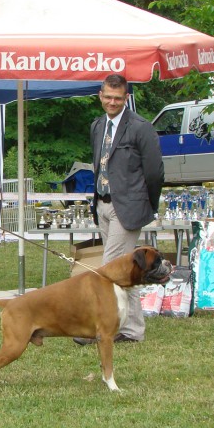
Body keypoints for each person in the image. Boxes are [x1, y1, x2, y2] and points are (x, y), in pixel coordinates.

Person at [75, 74, 163, 345]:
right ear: (100, 96)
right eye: (107, 97)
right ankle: (133, 330)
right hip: (102, 204)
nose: (112, 102)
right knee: (128, 270)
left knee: (109, 270)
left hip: (128, 208)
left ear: (126, 98)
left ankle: (99, 329)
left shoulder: (141, 127)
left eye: (118, 98)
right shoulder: (97, 126)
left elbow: (155, 172)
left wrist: (145, 204)